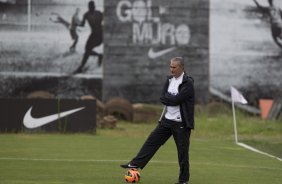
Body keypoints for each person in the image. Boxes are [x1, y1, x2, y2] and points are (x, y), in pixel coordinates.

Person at [120, 57, 195, 184]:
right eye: (170, 66)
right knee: (152, 141)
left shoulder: (188, 83)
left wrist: (170, 98)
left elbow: (177, 100)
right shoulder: (169, 80)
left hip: (181, 123)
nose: (171, 69)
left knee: (182, 153)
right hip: (166, 121)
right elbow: (162, 98)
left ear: (181, 67)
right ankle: (134, 164)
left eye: (174, 67)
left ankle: (183, 180)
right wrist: (171, 98)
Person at [73, 0, 103, 74]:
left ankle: (81, 67)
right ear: (89, 7)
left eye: (93, 7)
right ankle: (99, 55)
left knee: (87, 50)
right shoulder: (87, 14)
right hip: (94, 35)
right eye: (91, 7)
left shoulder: (97, 13)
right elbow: (82, 24)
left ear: (94, 7)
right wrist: (77, 24)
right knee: (87, 50)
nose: (92, 8)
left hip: (100, 35)